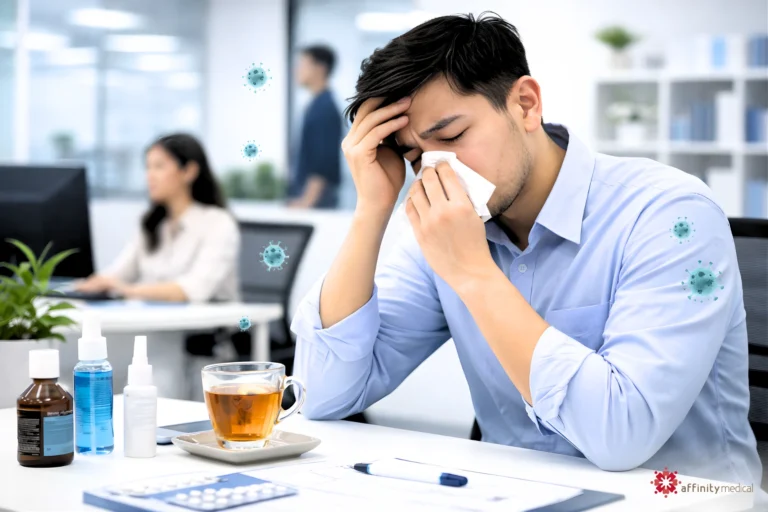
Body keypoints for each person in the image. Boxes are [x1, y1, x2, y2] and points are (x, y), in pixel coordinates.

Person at [290, 12, 765, 502]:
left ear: (525, 104)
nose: (437, 171)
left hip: (684, 499)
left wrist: (474, 274)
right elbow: (323, 396)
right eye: (414, 157)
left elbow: (622, 434)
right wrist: (372, 208)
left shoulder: (670, 215)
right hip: (515, 498)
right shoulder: (446, 233)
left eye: (451, 137)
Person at [76, 133, 240, 302]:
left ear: (189, 171)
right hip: (158, 324)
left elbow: (193, 290)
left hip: (208, 326)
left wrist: (127, 290)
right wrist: (88, 285)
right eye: (147, 167)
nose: (150, 176)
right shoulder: (153, 224)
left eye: (159, 167)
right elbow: (118, 274)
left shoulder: (218, 223)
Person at [287, 45, 343, 209]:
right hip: (311, 195)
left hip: (317, 199)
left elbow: (322, 161)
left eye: (303, 64)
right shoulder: (317, 104)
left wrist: (307, 202)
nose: (297, 70)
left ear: (320, 68)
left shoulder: (324, 108)